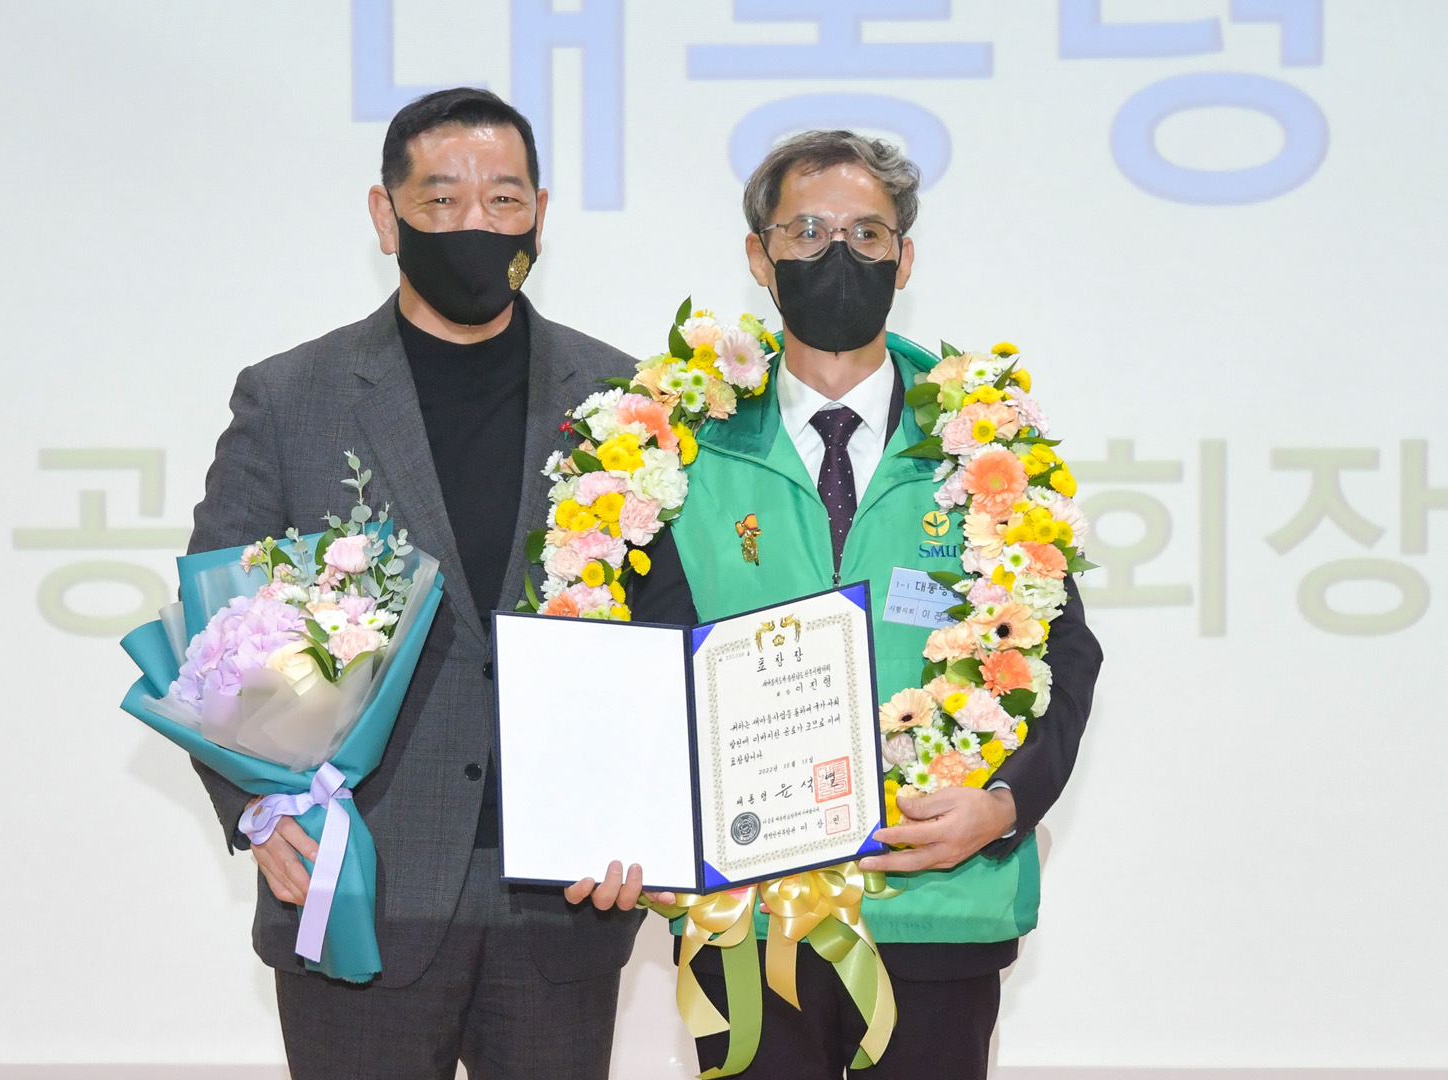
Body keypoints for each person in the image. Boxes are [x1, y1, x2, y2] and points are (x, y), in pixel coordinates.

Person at [566, 130, 1103, 1078]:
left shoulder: (986, 446)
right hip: (745, 912)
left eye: (867, 233)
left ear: (905, 258)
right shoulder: (671, 446)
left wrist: (1002, 807)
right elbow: (625, 663)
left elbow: (1063, 660)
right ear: (758, 256)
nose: (839, 254)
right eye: (807, 232)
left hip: (938, 905)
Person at [188, 87, 644, 1080]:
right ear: (385, 214)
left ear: (540, 214)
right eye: (441, 200)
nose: (475, 222)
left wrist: (649, 817)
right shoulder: (292, 398)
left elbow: (668, 624)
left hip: (563, 901)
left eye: (504, 200)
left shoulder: (624, 398)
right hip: (360, 882)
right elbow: (215, 631)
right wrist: (258, 805)